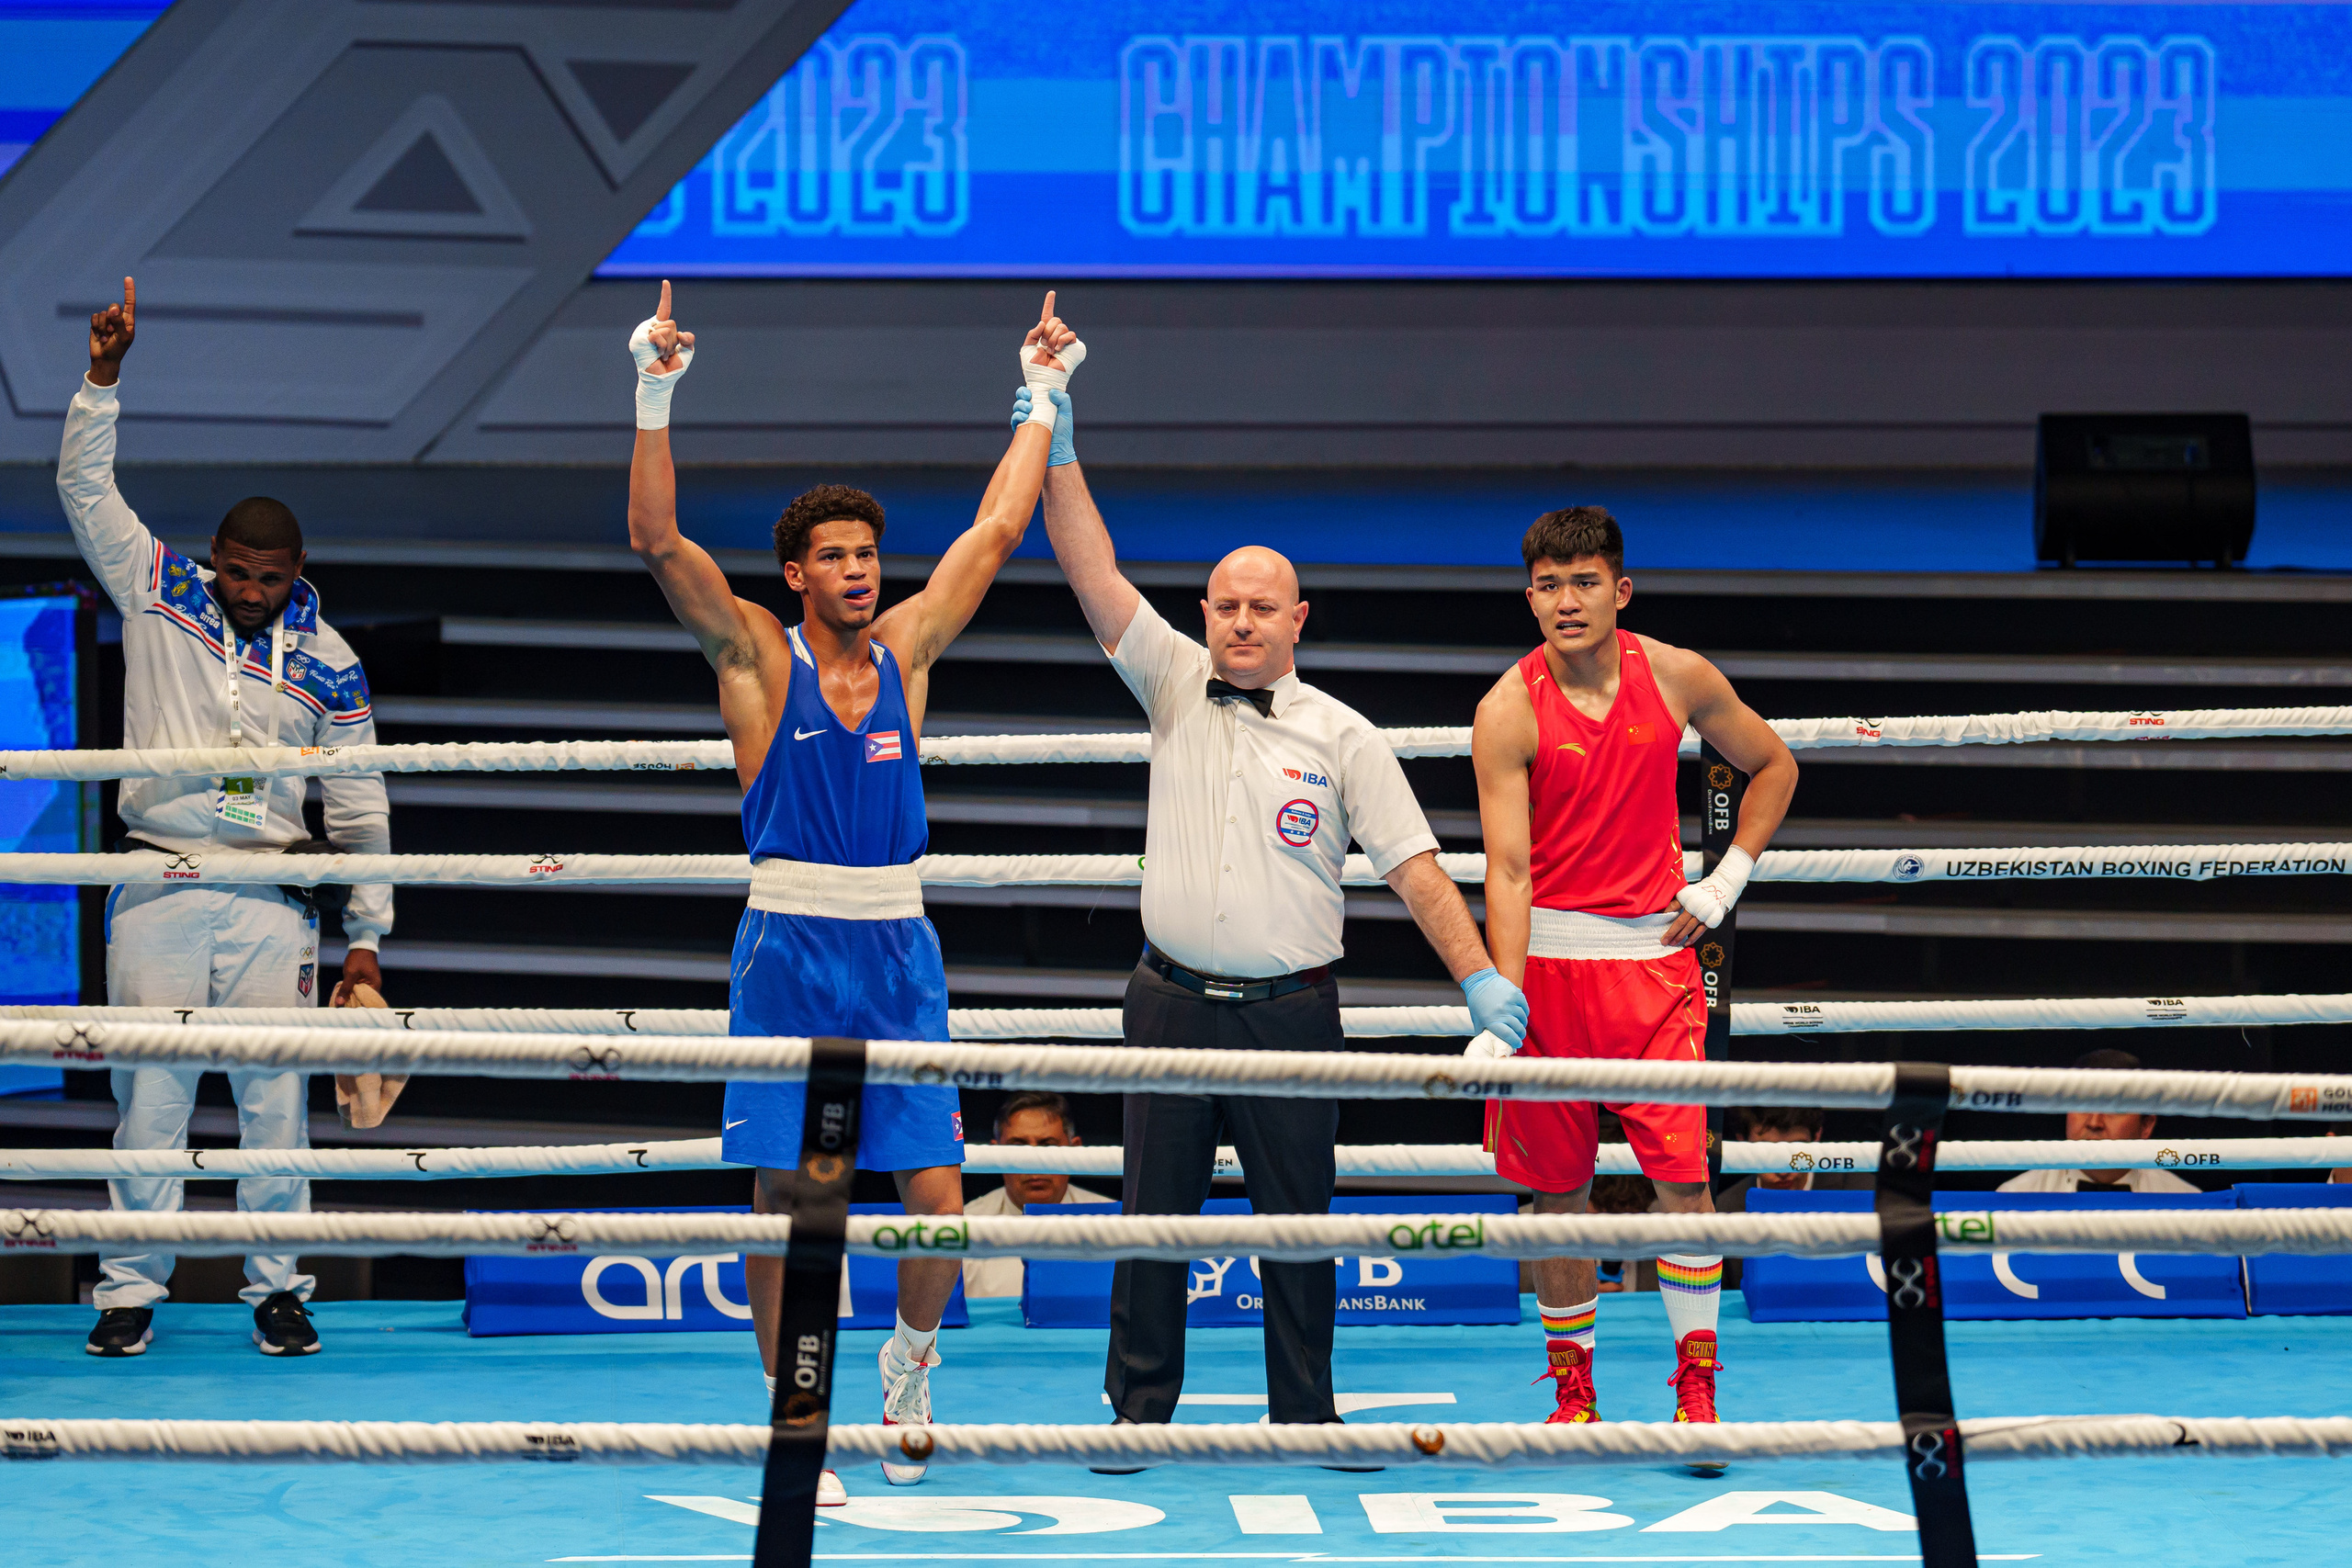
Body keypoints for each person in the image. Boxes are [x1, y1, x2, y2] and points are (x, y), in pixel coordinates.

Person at [1019, 373, 1530, 1453]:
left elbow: (1416, 869)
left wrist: (1483, 981)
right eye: (1225, 605)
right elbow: (1087, 566)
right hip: (1167, 1005)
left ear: (1297, 621)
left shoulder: (1344, 735)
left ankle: (1304, 1412)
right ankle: (1134, 1413)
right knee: (1150, 1222)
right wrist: (1056, 431)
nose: (1241, 622)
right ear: (1203, 613)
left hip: (1291, 1015)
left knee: (1299, 1225)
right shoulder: (1168, 676)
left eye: (1262, 608)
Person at [626, 282, 1067, 1503]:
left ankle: (911, 1363)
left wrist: (1042, 391)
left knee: (934, 1195)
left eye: (870, 554)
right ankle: (795, 1417)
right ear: (796, 571)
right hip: (788, 944)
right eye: (837, 556)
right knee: (795, 1197)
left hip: (895, 945)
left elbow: (993, 533)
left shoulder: (911, 653)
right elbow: (659, 544)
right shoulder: (756, 657)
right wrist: (654, 386)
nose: (861, 571)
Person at [58, 278, 393, 1360]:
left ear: (299, 572)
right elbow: (84, 488)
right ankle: (126, 1291)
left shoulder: (332, 660)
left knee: (274, 1108)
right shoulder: (159, 590)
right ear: (218, 557)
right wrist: (103, 377)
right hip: (157, 880)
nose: (251, 591)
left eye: (272, 578)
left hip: (272, 896)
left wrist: (368, 941)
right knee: (148, 1100)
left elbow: (360, 802)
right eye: (240, 573)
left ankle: (278, 1288)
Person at [1473, 505, 1797, 1441]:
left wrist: (1725, 877)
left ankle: (1698, 1390)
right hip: (1548, 974)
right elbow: (1507, 869)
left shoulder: (1679, 674)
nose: (1565, 601)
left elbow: (1773, 766)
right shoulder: (1505, 708)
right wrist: (1501, 1000)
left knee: (1683, 1184)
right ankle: (1573, 1393)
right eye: (1547, 584)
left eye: (1583, 583)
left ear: (1619, 590)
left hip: (1654, 971)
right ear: (1527, 594)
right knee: (1559, 1194)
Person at [962, 1092, 1113, 1300]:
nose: (1034, 1163)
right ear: (995, 1154)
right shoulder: (965, 1227)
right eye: (1018, 1147)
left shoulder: (1113, 1224)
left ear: (1075, 1151)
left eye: (1047, 1146)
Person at [1713, 1107, 1875, 1289]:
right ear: (1742, 1143)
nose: (1784, 1170)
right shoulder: (1722, 1210)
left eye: (1797, 1149)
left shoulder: (1864, 1192)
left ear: (1817, 1137)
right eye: (1766, 1151)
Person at [1996, 1049, 2198, 1193]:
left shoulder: (2186, 1204)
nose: (2094, 1122)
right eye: (2082, 1105)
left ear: (2146, 1126)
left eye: (2113, 1109)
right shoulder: (2015, 1197)